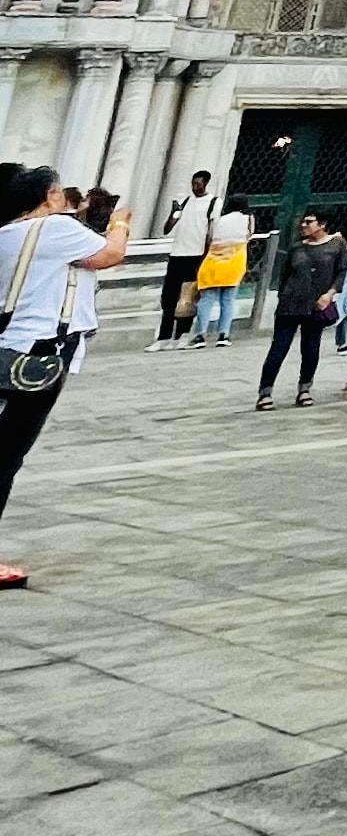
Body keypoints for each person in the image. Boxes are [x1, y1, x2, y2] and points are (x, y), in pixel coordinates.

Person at [0, 165, 132, 583]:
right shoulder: (54, 230)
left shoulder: (5, 235)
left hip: (5, 346)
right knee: (5, 456)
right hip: (35, 359)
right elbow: (110, 255)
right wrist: (120, 224)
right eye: (57, 193)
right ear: (48, 197)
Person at [254, 210, 347, 409]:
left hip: (316, 304)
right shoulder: (296, 248)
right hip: (290, 303)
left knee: (311, 348)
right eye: (303, 221)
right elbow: (285, 275)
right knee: (278, 348)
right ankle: (265, 391)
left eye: (309, 222)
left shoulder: (336, 245)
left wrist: (329, 294)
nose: (304, 225)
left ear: (322, 224)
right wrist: (281, 297)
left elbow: (341, 272)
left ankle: (304, 388)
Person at [155, 172, 214, 341]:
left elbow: (210, 231)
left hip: (195, 254)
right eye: (193, 184)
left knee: (188, 296)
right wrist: (174, 212)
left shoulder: (213, 203)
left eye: (199, 184)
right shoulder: (186, 201)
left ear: (206, 183)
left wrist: (205, 257)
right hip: (177, 253)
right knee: (169, 296)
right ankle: (164, 336)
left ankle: (182, 334)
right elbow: (167, 228)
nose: (195, 187)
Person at [191, 193, 255, 345]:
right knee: (228, 300)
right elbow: (249, 235)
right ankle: (223, 335)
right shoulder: (248, 219)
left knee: (206, 299)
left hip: (213, 261)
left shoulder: (218, 220)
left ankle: (200, 335)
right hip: (234, 262)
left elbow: (210, 237)